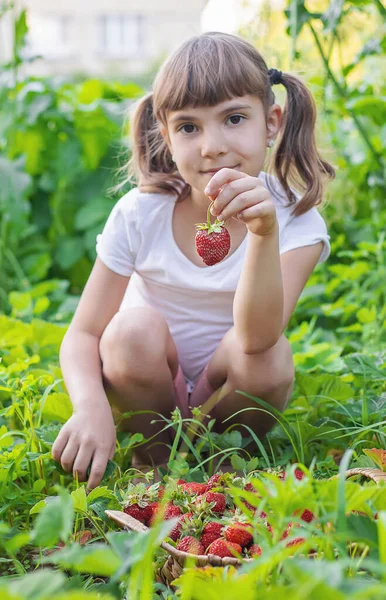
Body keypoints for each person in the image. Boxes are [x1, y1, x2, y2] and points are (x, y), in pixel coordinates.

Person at [52, 32, 335, 489]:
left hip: (228, 394)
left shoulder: (293, 216)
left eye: (234, 118)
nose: (212, 146)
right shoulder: (142, 213)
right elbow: (84, 332)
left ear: (271, 122)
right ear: (165, 135)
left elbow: (257, 338)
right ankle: (157, 465)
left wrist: (263, 234)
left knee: (272, 358)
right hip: (148, 387)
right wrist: (91, 407)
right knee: (128, 332)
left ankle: (222, 464)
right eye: (189, 127)